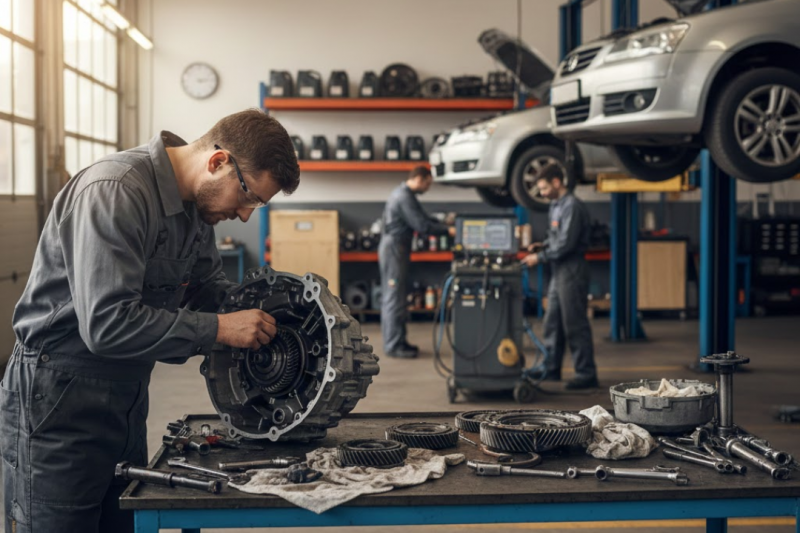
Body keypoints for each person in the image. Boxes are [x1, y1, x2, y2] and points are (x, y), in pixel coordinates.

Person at [0, 109, 300, 533]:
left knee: (122, 520)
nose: (246, 214)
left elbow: (207, 290)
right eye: (248, 196)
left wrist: (274, 314)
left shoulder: (196, 209)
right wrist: (220, 329)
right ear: (218, 162)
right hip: (58, 397)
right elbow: (108, 325)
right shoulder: (116, 190)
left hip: (126, 394)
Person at [521, 164, 598, 390]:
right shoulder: (556, 205)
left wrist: (540, 257)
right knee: (552, 321)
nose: (543, 193)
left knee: (574, 323)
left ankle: (586, 374)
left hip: (572, 269)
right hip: (559, 270)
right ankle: (551, 367)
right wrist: (543, 245)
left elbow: (566, 244)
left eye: (545, 188)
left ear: (557, 182)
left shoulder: (572, 206)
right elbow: (556, 237)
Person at [379, 166, 455, 359]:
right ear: (420, 178)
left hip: (396, 248)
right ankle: (394, 345)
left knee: (397, 296)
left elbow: (423, 218)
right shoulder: (403, 196)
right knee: (394, 297)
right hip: (394, 249)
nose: (427, 188)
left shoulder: (405, 195)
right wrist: (448, 231)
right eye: (427, 184)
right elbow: (422, 225)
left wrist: (443, 223)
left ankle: (399, 340)